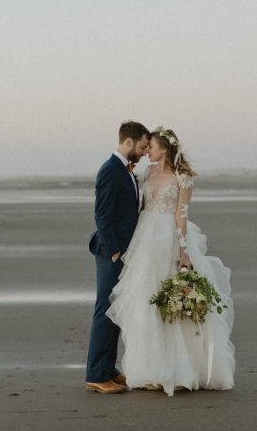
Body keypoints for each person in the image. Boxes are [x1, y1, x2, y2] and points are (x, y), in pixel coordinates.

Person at [107, 126, 235, 395]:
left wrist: (184, 251)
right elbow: (141, 206)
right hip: (144, 239)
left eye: (151, 146)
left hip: (168, 238)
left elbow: (181, 216)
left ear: (164, 148)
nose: (147, 150)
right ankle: (151, 370)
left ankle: (179, 370)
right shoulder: (146, 172)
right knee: (146, 302)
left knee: (173, 304)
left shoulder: (183, 177)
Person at [85, 120, 151, 394]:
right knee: (105, 310)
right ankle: (96, 375)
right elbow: (102, 214)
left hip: (123, 251)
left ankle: (108, 369)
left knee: (117, 309)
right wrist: (114, 252)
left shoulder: (126, 170)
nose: (146, 151)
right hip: (111, 251)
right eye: (143, 146)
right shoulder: (110, 170)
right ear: (129, 142)